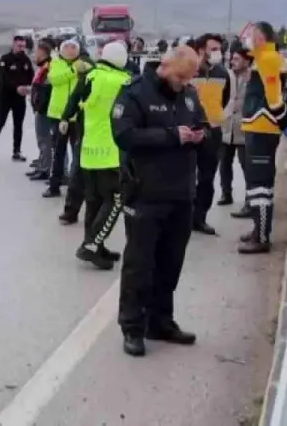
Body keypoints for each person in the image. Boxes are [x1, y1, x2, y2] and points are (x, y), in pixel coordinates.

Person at [112, 46, 208, 357]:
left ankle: (161, 321)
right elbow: (124, 135)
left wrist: (200, 134)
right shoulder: (135, 93)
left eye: (189, 77)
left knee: (171, 263)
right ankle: (132, 327)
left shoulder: (190, 94)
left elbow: (202, 122)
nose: (184, 83)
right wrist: (170, 136)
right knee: (140, 264)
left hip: (181, 193)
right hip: (145, 192)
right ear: (164, 67)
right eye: (180, 77)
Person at [64, 41, 131, 269]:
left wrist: (66, 117)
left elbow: (73, 101)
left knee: (93, 201)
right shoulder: (122, 81)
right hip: (110, 151)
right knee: (114, 200)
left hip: (88, 150)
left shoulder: (91, 76)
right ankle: (91, 245)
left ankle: (95, 245)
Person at [238, 21, 287, 255]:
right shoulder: (264, 58)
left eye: (251, 36)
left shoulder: (268, 60)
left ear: (261, 38)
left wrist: (285, 123)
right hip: (258, 126)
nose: (248, 40)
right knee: (256, 183)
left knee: (260, 184)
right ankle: (257, 229)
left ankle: (261, 236)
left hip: (263, 127)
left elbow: (274, 99)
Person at [44, 38, 93, 222]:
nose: (71, 50)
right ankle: (54, 185)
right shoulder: (56, 63)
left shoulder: (86, 65)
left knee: (78, 154)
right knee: (58, 152)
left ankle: (76, 187)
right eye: (67, 47)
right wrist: (74, 70)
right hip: (58, 116)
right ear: (61, 50)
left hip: (77, 116)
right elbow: (55, 80)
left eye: (74, 47)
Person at [188, 33, 231, 235]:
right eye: (212, 48)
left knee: (207, 178)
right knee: (184, 177)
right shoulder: (189, 71)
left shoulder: (223, 73)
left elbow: (225, 98)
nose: (217, 52)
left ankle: (200, 218)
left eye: (219, 49)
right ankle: (183, 218)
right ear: (201, 49)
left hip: (212, 131)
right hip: (189, 130)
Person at [0, 35, 36, 161]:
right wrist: (16, 87)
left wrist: (28, 87)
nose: (21, 49)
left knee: (18, 124)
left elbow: (31, 75)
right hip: (5, 96)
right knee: (0, 122)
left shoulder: (26, 60)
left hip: (19, 98)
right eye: (19, 46)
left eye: (23, 47)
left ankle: (17, 151)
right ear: (13, 45)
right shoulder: (5, 59)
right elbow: (4, 79)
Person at [220, 48, 252, 210]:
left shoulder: (253, 77)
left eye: (237, 59)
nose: (233, 62)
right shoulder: (227, 75)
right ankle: (226, 193)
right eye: (232, 59)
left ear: (247, 61)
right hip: (227, 125)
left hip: (244, 126)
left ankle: (249, 199)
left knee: (246, 165)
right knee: (224, 163)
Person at [27, 39, 56, 181]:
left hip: (45, 110)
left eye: (36, 51)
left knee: (45, 140)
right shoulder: (43, 67)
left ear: (43, 52)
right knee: (42, 140)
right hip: (41, 109)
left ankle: (45, 169)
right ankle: (42, 165)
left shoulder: (48, 68)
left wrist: (40, 106)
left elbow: (46, 91)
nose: (34, 54)